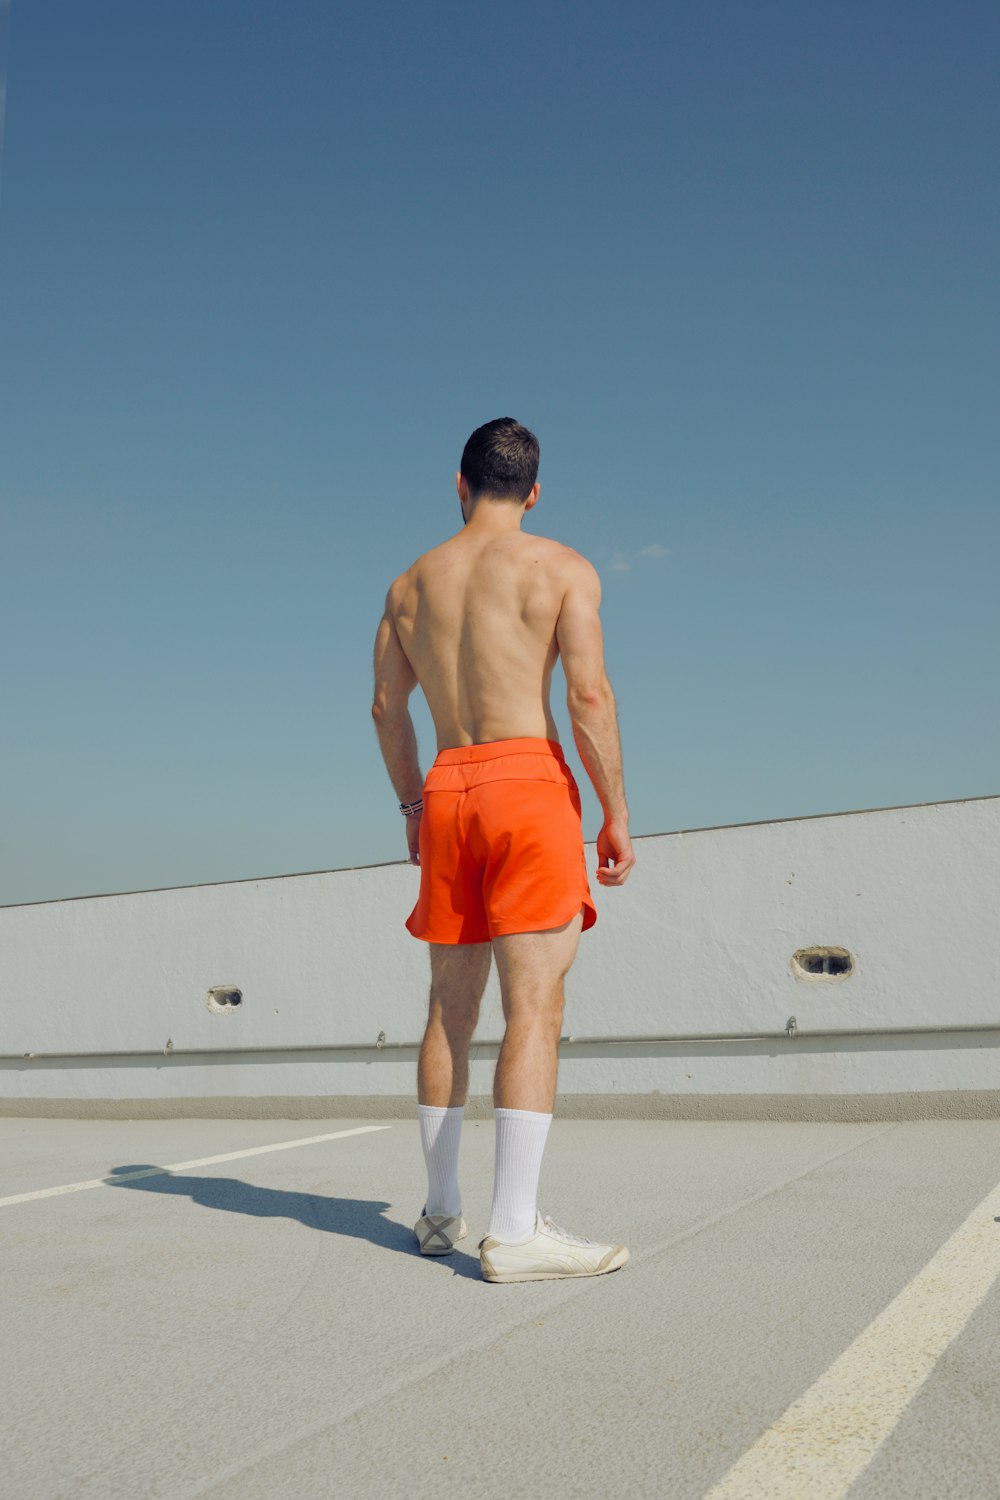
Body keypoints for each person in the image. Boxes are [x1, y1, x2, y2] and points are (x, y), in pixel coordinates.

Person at [371, 417, 635, 1283]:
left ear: (458, 483)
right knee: (536, 1006)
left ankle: (440, 1211)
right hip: (527, 784)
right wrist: (614, 811)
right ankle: (514, 1230)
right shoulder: (560, 568)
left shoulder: (410, 585)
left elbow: (385, 710)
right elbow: (588, 696)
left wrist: (414, 802)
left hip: (448, 785)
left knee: (450, 1006)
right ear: (533, 490)